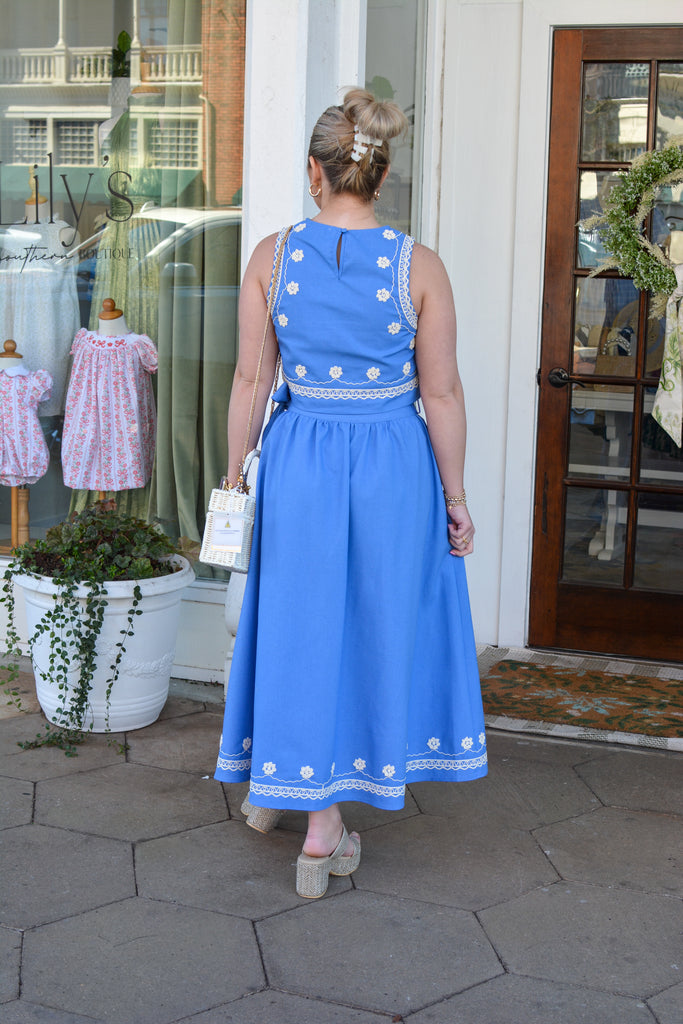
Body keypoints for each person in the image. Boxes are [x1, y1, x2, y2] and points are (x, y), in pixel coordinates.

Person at [215, 88, 487, 899]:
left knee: (300, 627)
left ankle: (296, 797)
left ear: (314, 172)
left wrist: (234, 476)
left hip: (300, 458)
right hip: (391, 466)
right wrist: (455, 495)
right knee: (370, 626)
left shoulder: (272, 255)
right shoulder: (420, 264)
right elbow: (440, 396)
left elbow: (251, 379)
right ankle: (319, 821)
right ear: (381, 173)